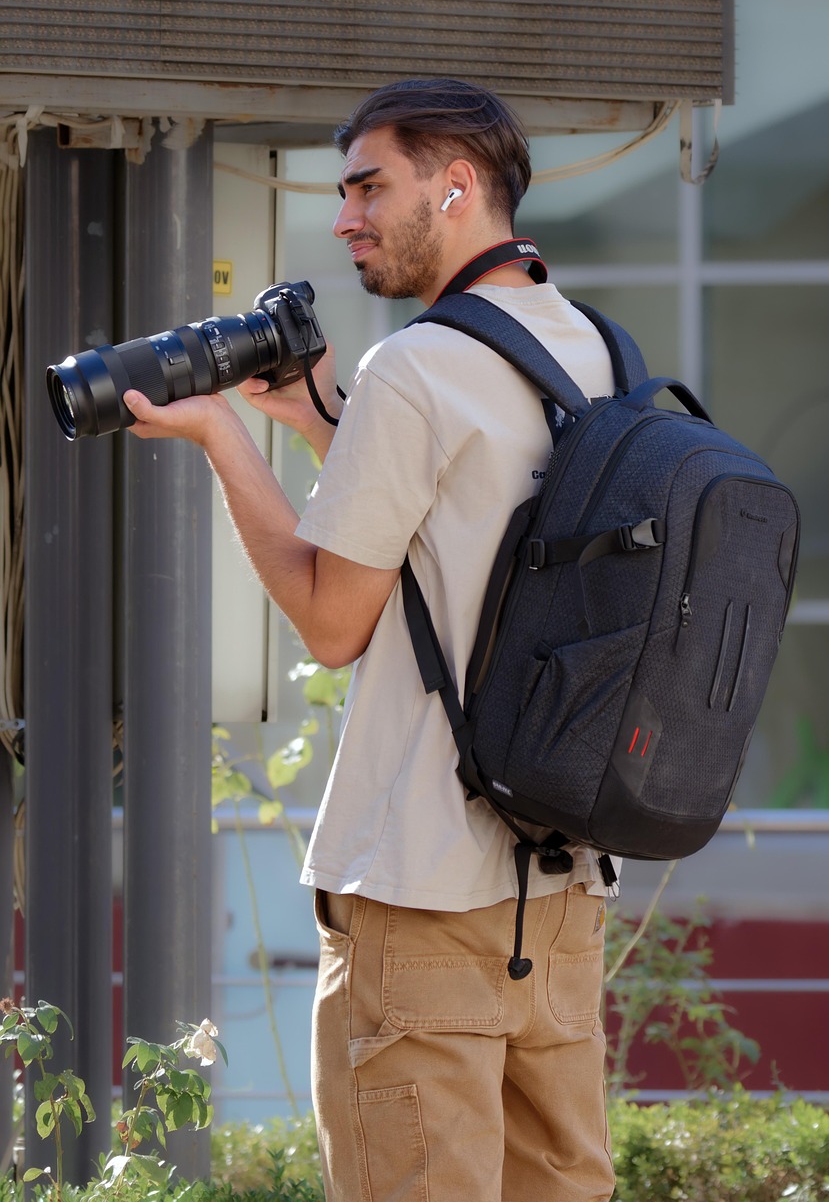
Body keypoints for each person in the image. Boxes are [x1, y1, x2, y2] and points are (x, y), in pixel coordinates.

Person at [124, 77, 617, 1202]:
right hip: (562, 887)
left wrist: (218, 435)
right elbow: (462, 541)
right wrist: (313, 421)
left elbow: (335, 621)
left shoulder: (418, 363)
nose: (344, 215)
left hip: (420, 897)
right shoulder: (588, 349)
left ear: (455, 186)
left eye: (367, 186)